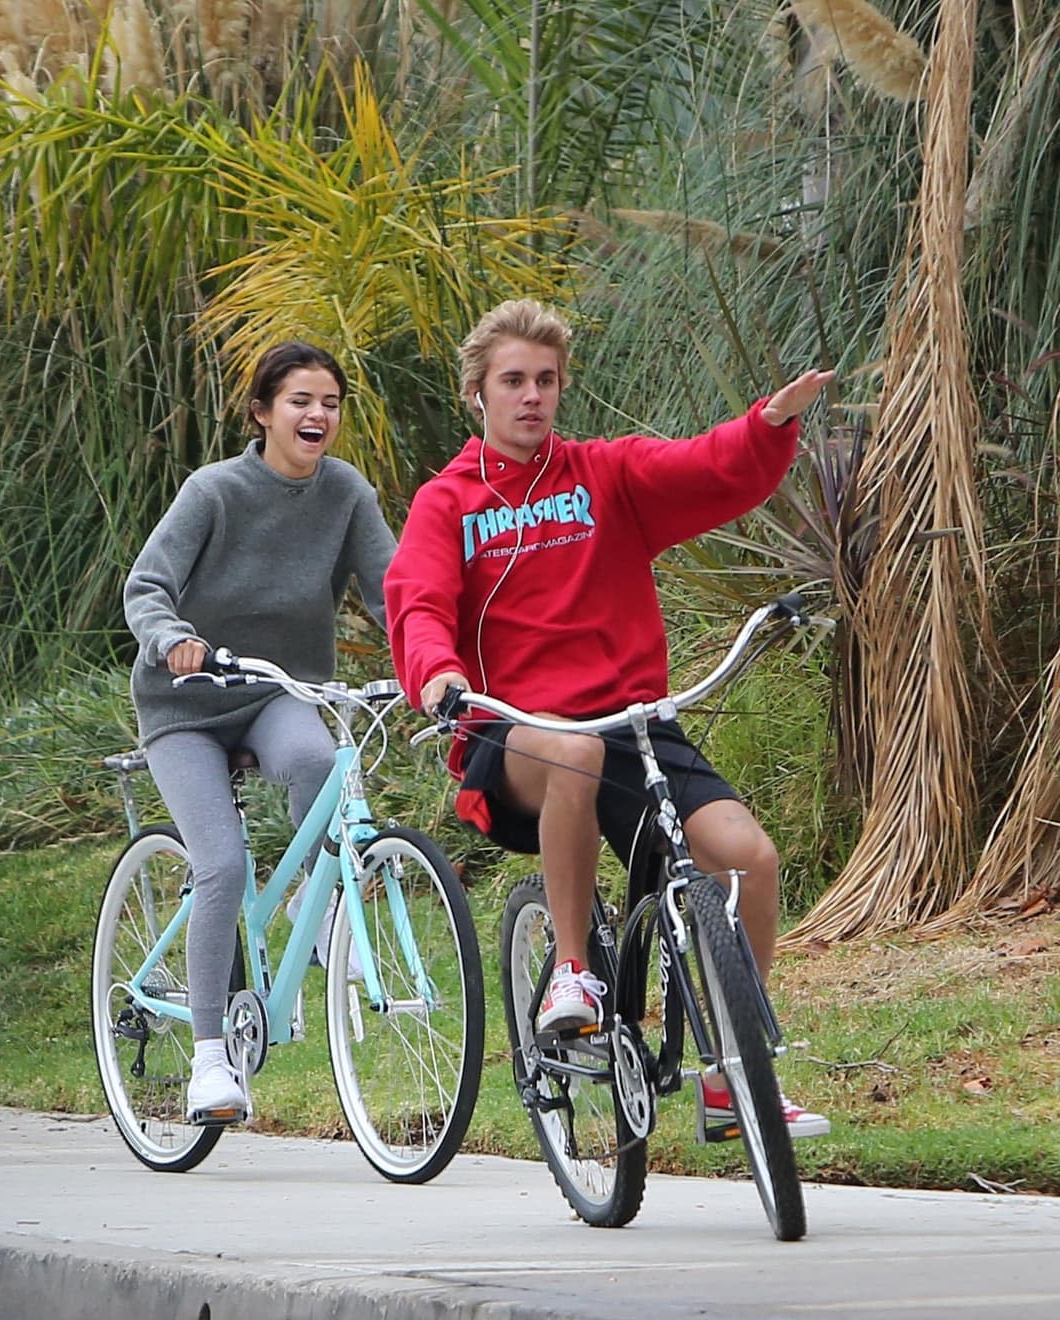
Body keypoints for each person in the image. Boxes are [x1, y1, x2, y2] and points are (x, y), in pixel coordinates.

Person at [385, 299, 833, 1139]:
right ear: (476, 393)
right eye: (513, 381)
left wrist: (768, 424)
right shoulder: (448, 503)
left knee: (750, 857)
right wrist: (439, 673)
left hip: (629, 721)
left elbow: (705, 468)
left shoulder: (606, 474)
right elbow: (418, 602)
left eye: (546, 381)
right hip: (511, 730)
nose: (533, 396)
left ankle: (732, 1075)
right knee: (570, 756)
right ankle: (572, 970)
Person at [124, 341, 395, 1124]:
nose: (318, 415)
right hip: (186, 700)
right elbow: (146, 585)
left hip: (275, 690)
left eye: (330, 403)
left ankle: (314, 893)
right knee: (221, 863)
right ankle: (210, 1059)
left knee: (318, 759)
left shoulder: (345, 494)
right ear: (262, 412)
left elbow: (392, 592)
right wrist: (171, 636)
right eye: (301, 401)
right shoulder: (213, 491)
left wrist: (434, 658)